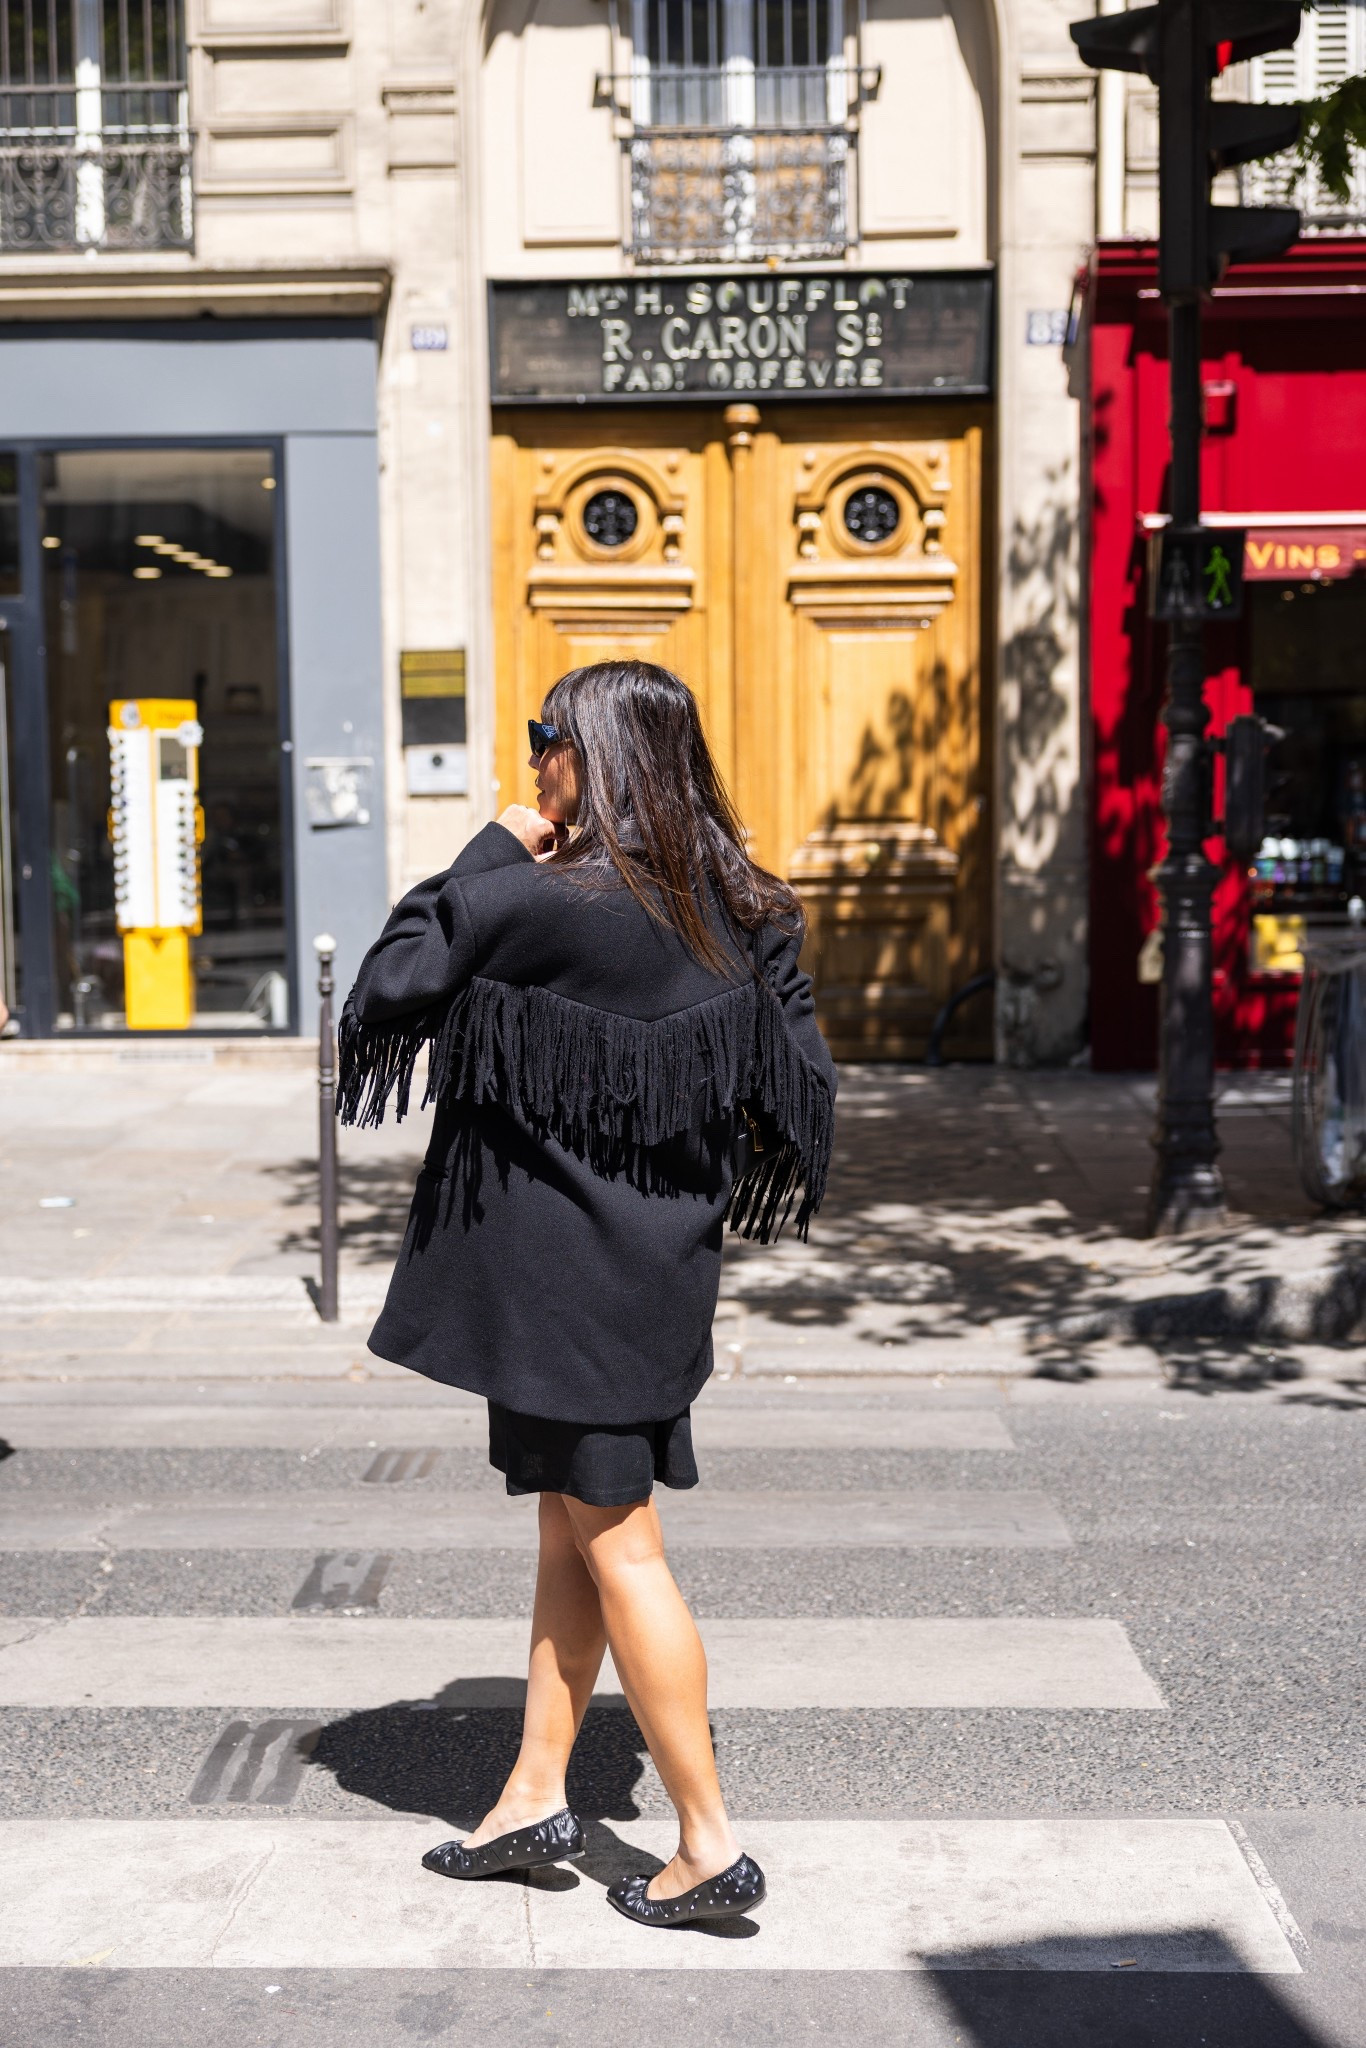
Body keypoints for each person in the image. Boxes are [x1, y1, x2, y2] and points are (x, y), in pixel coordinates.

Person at [340, 659, 835, 1929]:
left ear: (594, 758)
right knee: (571, 1527)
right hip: (657, 1276)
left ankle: (707, 1842)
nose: (534, 762)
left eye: (545, 740)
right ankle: (531, 1795)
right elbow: (802, 1095)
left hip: (553, 1289)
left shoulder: (531, 899)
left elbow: (390, 980)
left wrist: (492, 842)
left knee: (623, 1546)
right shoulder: (747, 908)